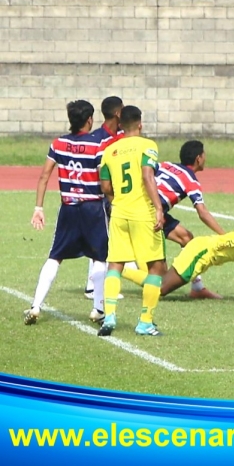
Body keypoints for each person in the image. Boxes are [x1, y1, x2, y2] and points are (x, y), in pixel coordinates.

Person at [24, 100, 109, 325]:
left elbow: (44, 176)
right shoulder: (97, 145)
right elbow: (103, 178)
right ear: (89, 120)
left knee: (55, 256)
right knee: (100, 256)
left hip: (69, 207)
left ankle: (35, 305)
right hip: (93, 208)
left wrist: (38, 208)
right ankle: (98, 308)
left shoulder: (58, 143)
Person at [119, 140, 226, 299]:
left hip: (150, 209)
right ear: (198, 158)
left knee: (187, 239)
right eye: (204, 155)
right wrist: (224, 236)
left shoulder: (166, 165)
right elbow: (202, 213)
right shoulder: (191, 181)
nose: (205, 158)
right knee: (161, 283)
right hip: (149, 214)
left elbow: (145, 174)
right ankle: (121, 269)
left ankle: (197, 288)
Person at [98, 105, 166, 337]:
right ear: (140, 123)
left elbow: (105, 186)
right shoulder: (148, 145)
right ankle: (145, 321)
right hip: (143, 214)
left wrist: (117, 200)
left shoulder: (110, 150)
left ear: (120, 125)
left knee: (115, 265)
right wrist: (158, 208)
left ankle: (109, 315)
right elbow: (148, 175)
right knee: (157, 267)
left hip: (118, 213)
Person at [84, 95, 124, 301]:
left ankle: (107, 282)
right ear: (118, 113)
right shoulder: (97, 138)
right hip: (100, 195)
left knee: (115, 238)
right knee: (101, 238)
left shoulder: (124, 136)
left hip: (121, 195)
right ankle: (92, 286)